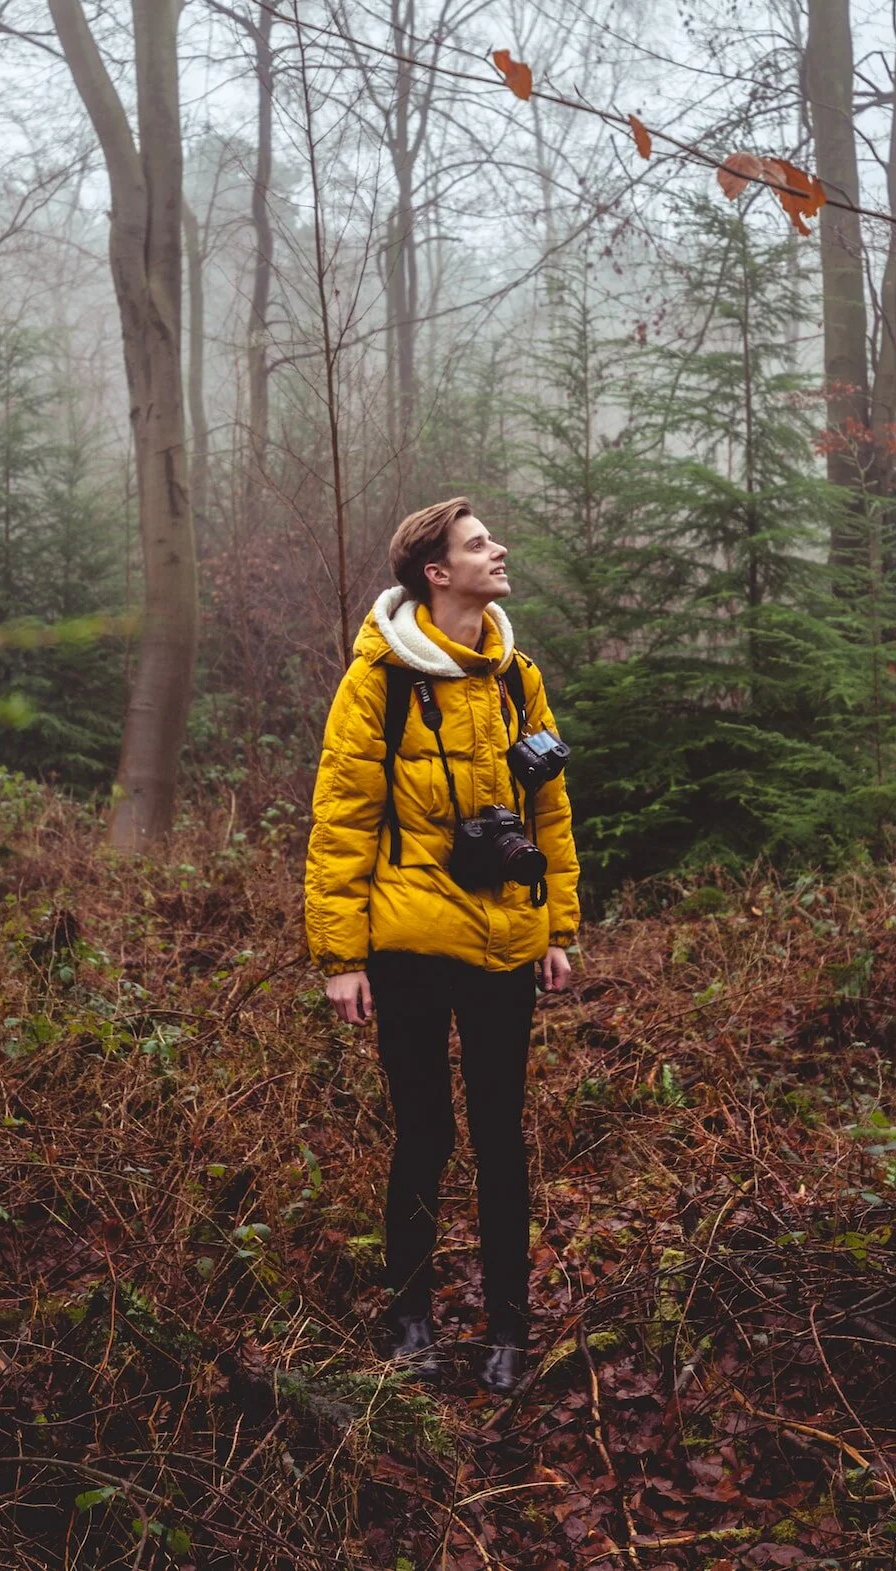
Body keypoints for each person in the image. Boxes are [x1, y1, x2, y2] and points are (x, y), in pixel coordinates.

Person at [303, 498, 580, 1392]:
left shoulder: (515, 674)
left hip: (507, 943)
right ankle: (409, 1315)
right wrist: (342, 956)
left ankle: (509, 1325)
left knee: (503, 1136)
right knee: (424, 1131)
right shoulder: (379, 679)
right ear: (435, 571)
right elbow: (342, 821)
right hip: (411, 943)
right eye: (476, 544)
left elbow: (550, 808)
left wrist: (558, 924)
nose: (497, 551)